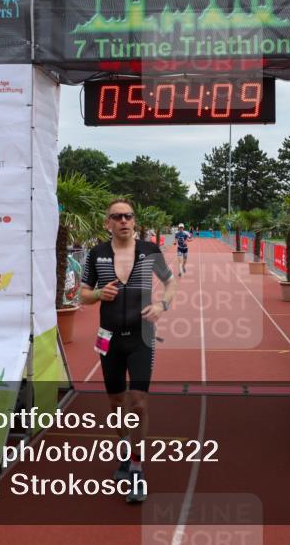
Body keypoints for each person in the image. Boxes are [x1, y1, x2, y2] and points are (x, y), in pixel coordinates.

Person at [79, 199, 177, 504]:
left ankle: (136, 464)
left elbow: (170, 283)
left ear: (134, 221)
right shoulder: (97, 254)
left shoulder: (150, 251)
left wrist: (162, 304)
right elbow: (83, 294)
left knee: (139, 403)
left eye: (128, 216)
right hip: (108, 339)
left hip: (141, 337)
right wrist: (97, 293)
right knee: (116, 401)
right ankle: (125, 449)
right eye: (117, 216)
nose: (123, 220)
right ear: (107, 222)